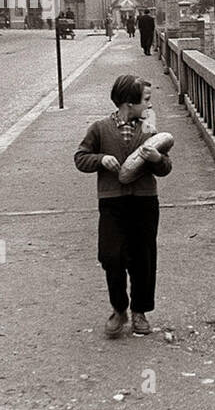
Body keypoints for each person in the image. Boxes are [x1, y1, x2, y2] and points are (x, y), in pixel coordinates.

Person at [74, 75, 173, 339]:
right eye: (146, 100)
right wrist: (101, 159)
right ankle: (119, 309)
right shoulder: (100, 128)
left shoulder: (149, 130)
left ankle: (140, 311)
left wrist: (156, 159)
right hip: (112, 202)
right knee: (111, 256)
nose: (150, 106)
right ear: (129, 103)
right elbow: (80, 158)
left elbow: (165, 168)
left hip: (144, 200)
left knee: (143, 257)